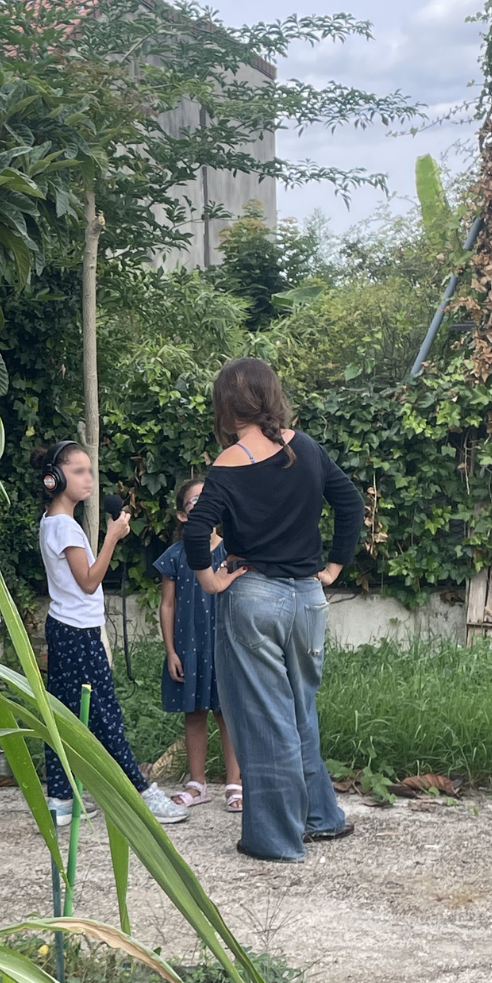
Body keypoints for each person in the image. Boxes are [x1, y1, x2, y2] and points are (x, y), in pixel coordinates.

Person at [181, 359, 364, 863]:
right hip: (308, 599)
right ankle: (321, 818)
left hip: (254, 596)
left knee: (266, 720)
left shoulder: (230, 461)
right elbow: (350, 505)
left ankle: (275, 840)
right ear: (270, 395)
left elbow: (196, 533)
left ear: (225, 404)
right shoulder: (303, 446)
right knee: (300, 710)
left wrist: (210, 579)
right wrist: (333, 567)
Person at [34, 440, 185, 827]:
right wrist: (112, 538)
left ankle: (61, 799)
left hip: (66, 628)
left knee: (65, 715)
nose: (89, 479)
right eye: (80, 471)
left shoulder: (52, 522)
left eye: (90, 471)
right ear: (56, 477)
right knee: (105, 715)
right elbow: (88, 582)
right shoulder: (64, 526)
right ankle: (140, 792)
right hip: (79, 633)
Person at [154, 477, 242, 812]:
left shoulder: (231, 551)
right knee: (194, 713)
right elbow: (167, 605)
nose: (203, 506)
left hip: (225, 645)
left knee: (228, 713)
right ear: (182, 516)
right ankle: (197, 784)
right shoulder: (175, 556)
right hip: (188, 648)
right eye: (195, 502)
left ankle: (235, 784)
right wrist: (171, 651)